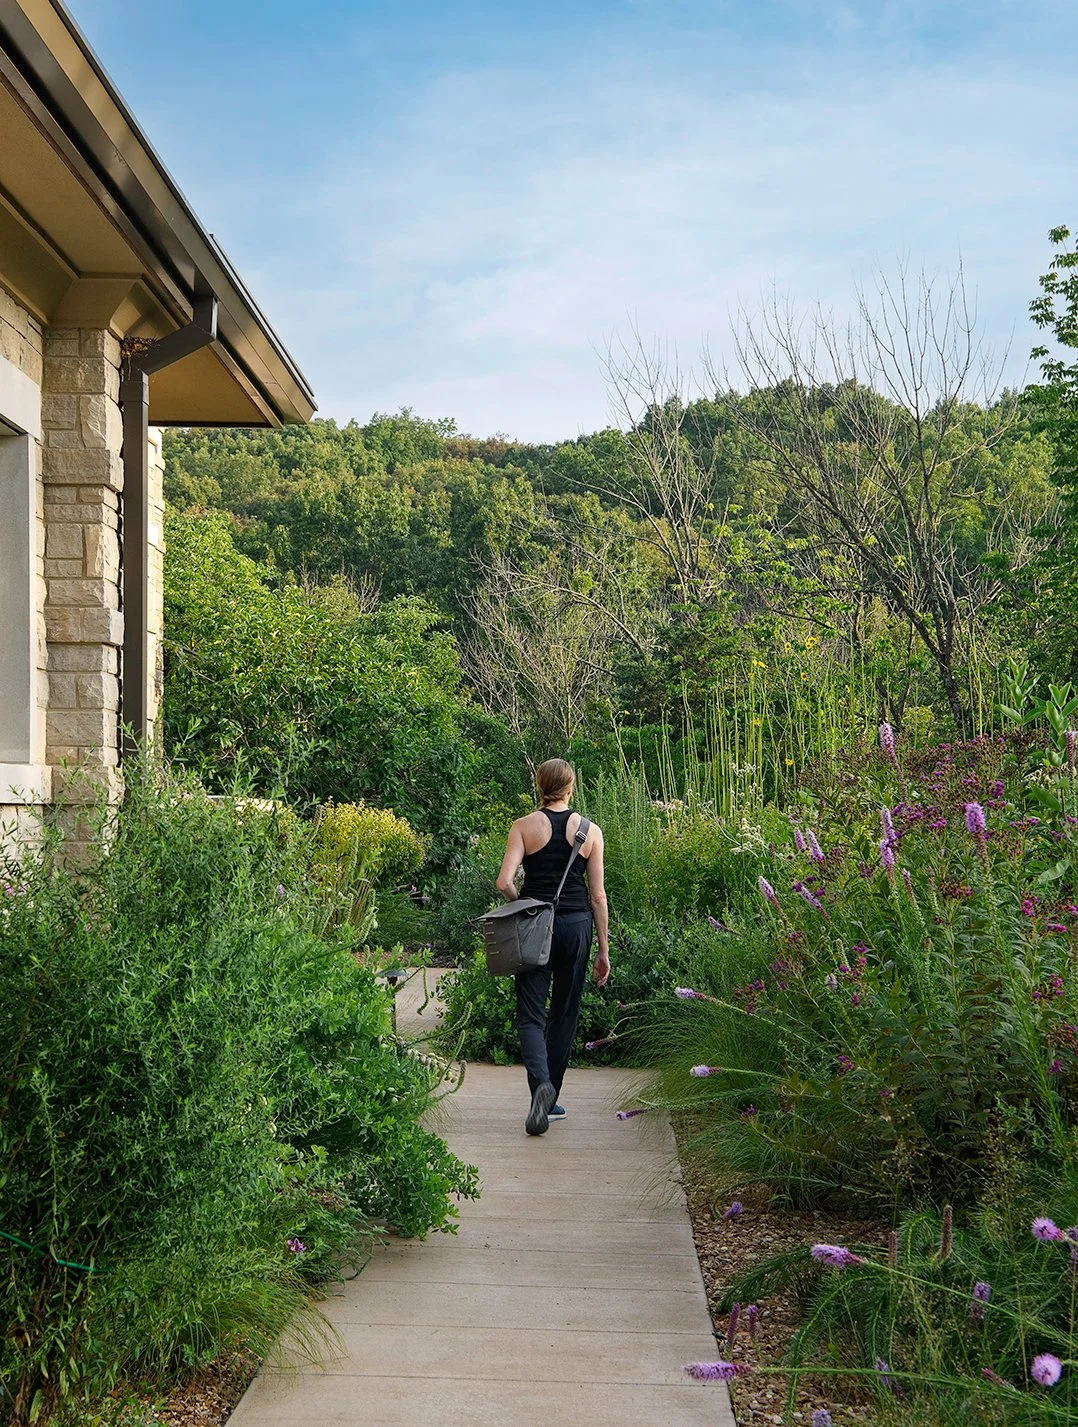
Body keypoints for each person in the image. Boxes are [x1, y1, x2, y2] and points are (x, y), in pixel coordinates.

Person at [495, 758, 610, 1136]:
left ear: (539, 785)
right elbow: (597, 897)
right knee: (564, 1012)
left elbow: (504, 882)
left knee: (531, 1015)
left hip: (534, 926)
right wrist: (603, 950)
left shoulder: (523, 827)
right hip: (577, 927)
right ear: (571, 787)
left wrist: (524, 902)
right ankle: (551, 1097)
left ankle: (540, 1088)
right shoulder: (590, 832)